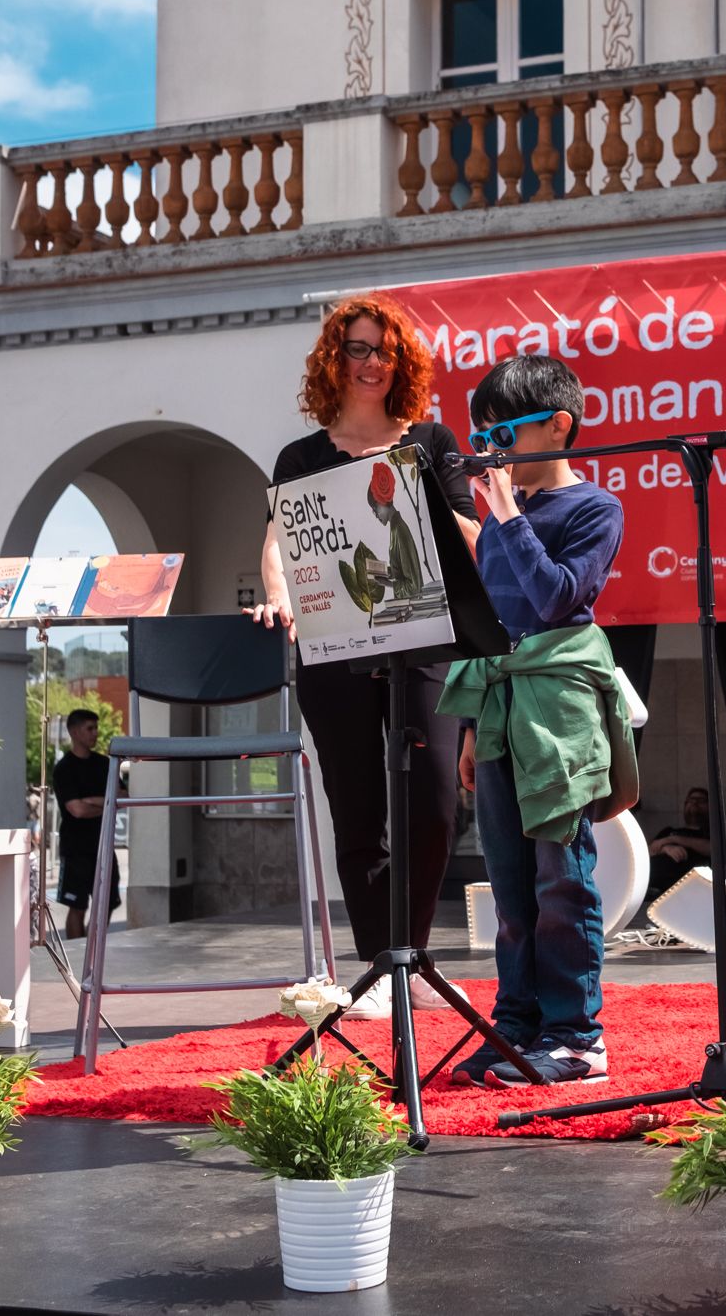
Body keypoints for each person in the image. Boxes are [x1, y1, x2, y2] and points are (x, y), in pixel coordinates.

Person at [249, 294, 478, 1020]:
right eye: (357, 347)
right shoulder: (301, 457)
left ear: (401, 360)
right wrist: (280, 597)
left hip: (424, 643)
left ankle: (412, 958)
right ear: (333, 357)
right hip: (331, 648)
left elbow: (471, 537)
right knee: (357, 809)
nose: (372, 362)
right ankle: (382, 964)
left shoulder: (434, 442)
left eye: (385, 349)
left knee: (436, 798)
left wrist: (450, 513)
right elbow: (280, 543)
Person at [439, 353, 636, 1088]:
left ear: (559, 426)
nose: (488, 454)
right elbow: (492, 627)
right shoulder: (496, 523)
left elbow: (557, 601)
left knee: (562, 876)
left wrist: (511, 517)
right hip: (498, 704)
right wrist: (468, 727)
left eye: (503, 436)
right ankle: (516, 1025)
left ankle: (578, 1036)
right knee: (509, 881)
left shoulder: (594, 509)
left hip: (559, 707)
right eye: (479, 438)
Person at [53, 708, 115, 940]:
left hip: (104, 845)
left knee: (106, 903)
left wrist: (92, 800)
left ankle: (94, 951)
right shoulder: (64, 769)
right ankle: (78, 953)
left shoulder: (104, 764)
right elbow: (76, 810)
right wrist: (106, 803)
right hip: (76, 848)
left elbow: (122, 795)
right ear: (74, 731)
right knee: (77, 906)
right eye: (90, 728)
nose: (95, 733)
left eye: (96, 728)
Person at [646, 785, 726, 899]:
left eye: (701, 800)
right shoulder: (669, 831)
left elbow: (715, 850)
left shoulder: (717, 830)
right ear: (685, 806)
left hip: (692, 887)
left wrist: (673, 839)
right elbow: (648, 851)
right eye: (691, 800)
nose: (695, 803)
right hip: (654, 888)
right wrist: (666, 848)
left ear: (710, 807)